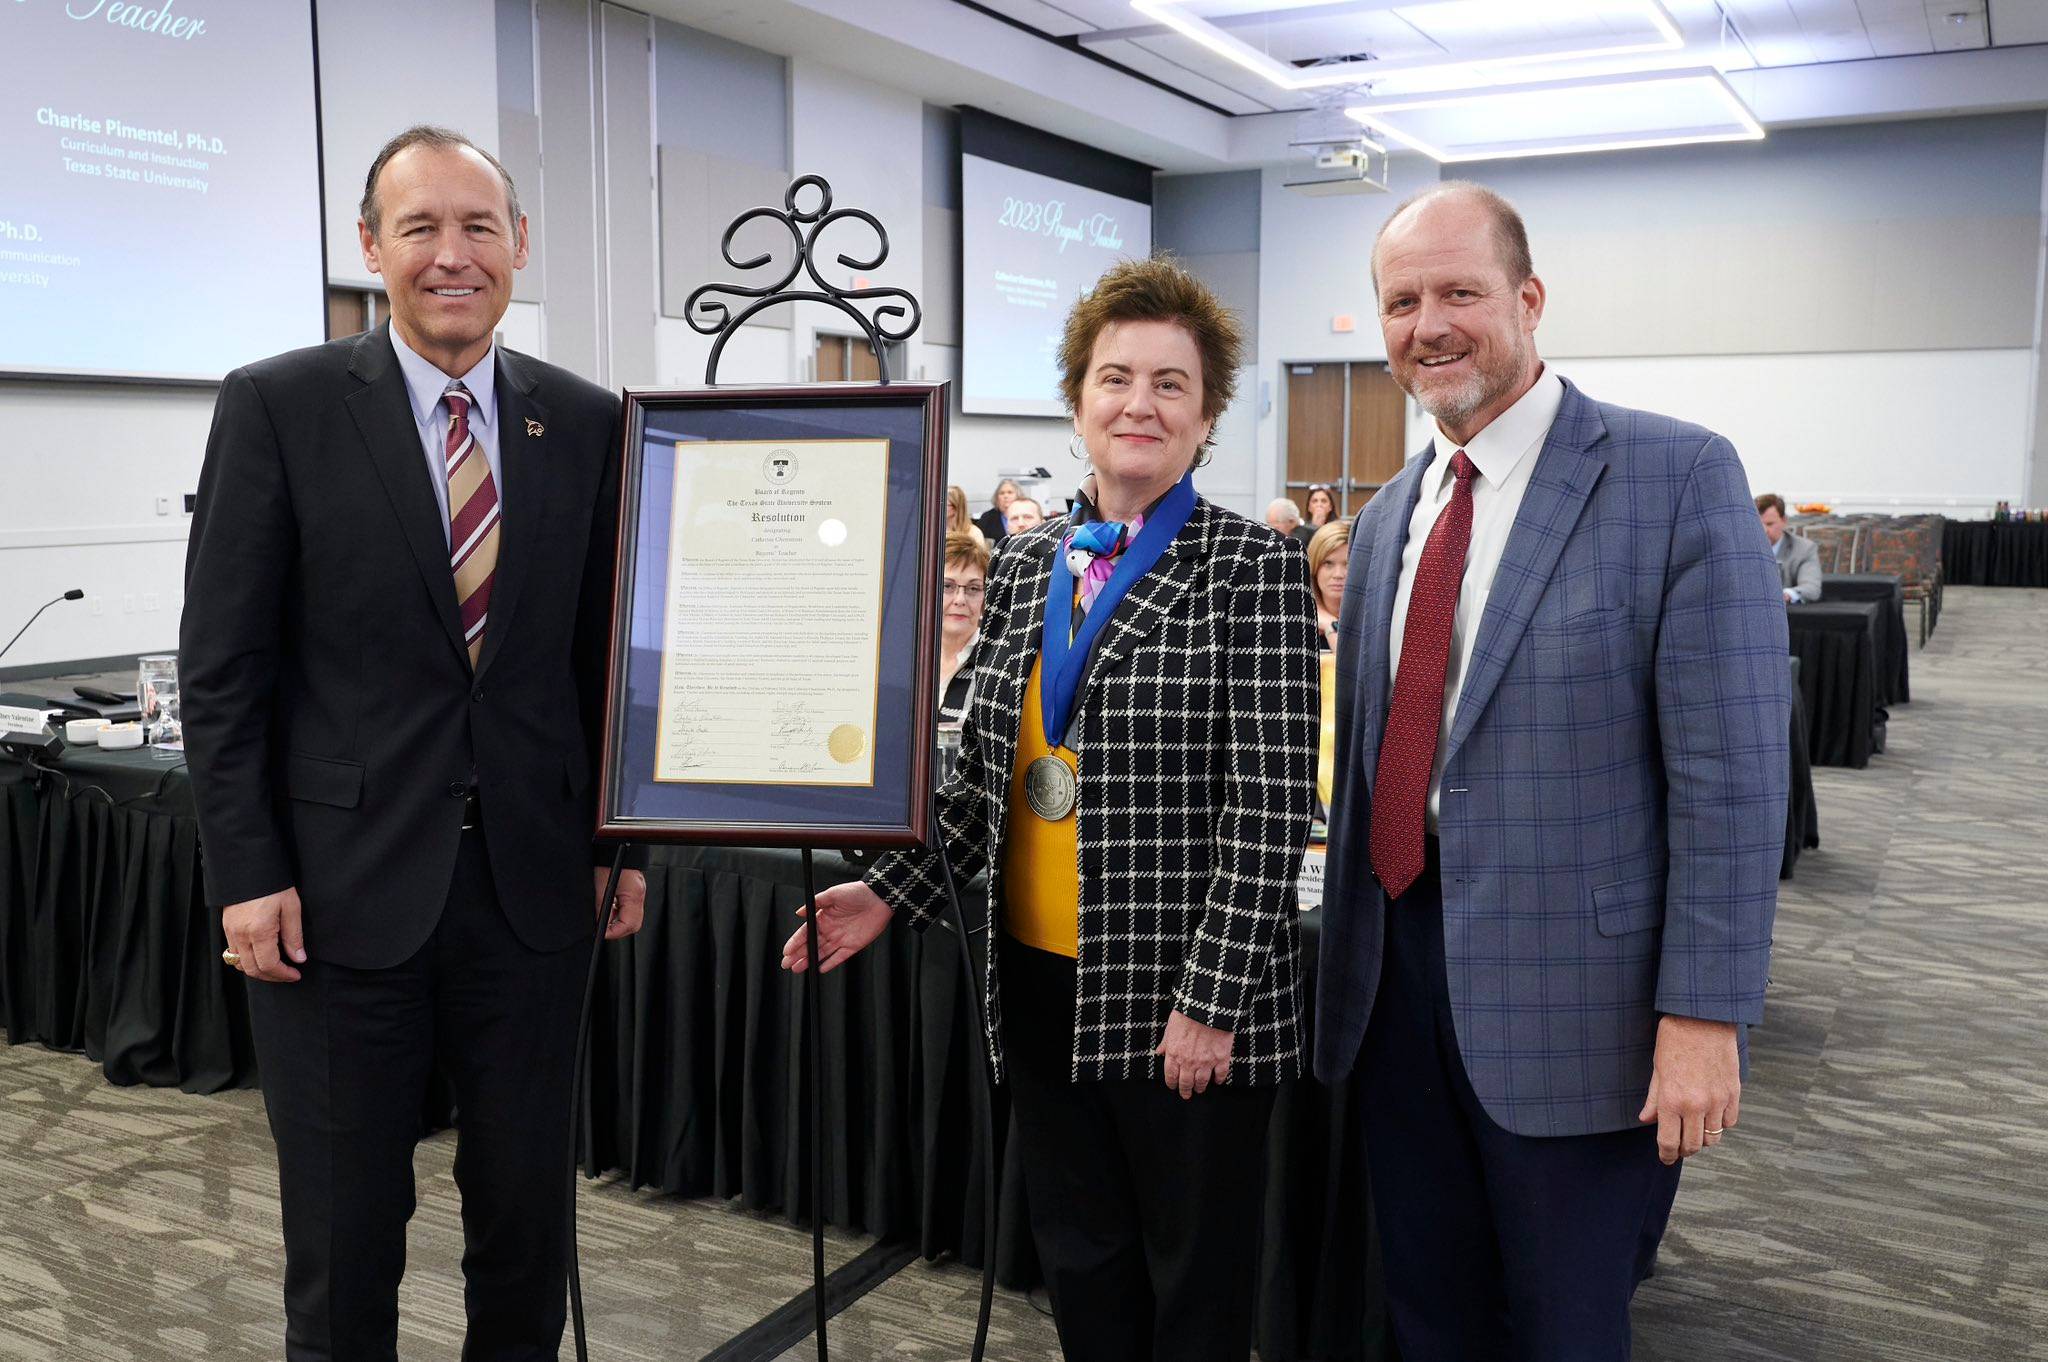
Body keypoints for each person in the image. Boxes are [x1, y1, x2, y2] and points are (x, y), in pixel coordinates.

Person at [781, 255, 1317, 1361]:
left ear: (1206, 414)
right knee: (1084, 1265)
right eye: (1115, 376)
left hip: (1181, 997)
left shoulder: (1248, 570)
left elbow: (1269, 811)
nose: (1139, 403)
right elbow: (980, 788)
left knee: (1195, 1287)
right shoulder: (1026, 564)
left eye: (1171, 384)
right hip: (1038, 984)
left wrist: (1211, 1004)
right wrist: (888, 892)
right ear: (1076, 401)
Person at [179, 124, 648, 1360]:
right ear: (371, 247)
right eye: (423, 227)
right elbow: (224, 670)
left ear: (520, 246)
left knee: (524, 1223)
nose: (453, 254)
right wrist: (246, 872)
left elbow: (601, 665)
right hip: (334, 901)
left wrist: (625, 842)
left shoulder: (590, 423)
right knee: (344, 1237)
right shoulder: (276, 406)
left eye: (478, 226)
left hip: (534, 895)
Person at [1316, 181, 1788, 1360]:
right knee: (1428, 1311)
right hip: (1392, 984)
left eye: (1459, 292)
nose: (1428, 324)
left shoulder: (1671, 477)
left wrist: (1703, 1013)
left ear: (1527, 300)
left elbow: (1730, 778)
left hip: (1583, 1009)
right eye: (1400, 301)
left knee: (1565, 1325)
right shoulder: (1387, 520)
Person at [938, 529, 989, 723]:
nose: (960, 600)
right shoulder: (904, 659)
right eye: (947, 586)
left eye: (973, 588)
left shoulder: (995, 663)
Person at [1757, 492, 1822, 602]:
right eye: (1758, 525)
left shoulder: (1804, 549)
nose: (1764, 530)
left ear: (1784, 521)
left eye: (1769, 524)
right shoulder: (1739, 549)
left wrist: (1787, 595)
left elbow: (1811, 588)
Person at [1307, 519, 1349, 650]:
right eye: (1328, 563)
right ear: (1314, 567)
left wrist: (1331, 625)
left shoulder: (1372, 620)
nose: (1338, 574)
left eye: (1348, 564)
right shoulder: (1300, 619)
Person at [977, 476, 1022, 542]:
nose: (1005, 496)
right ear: (997, 497)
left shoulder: (1026, 515)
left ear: (1018, 496)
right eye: (1002, 493)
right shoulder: (987, 517)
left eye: (1010, 492)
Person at [948, 483, 988, 548]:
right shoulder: (936, 530)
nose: (939, 508)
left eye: (946, 505)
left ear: (957, 506)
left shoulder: (973, 533)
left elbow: (980, 557)